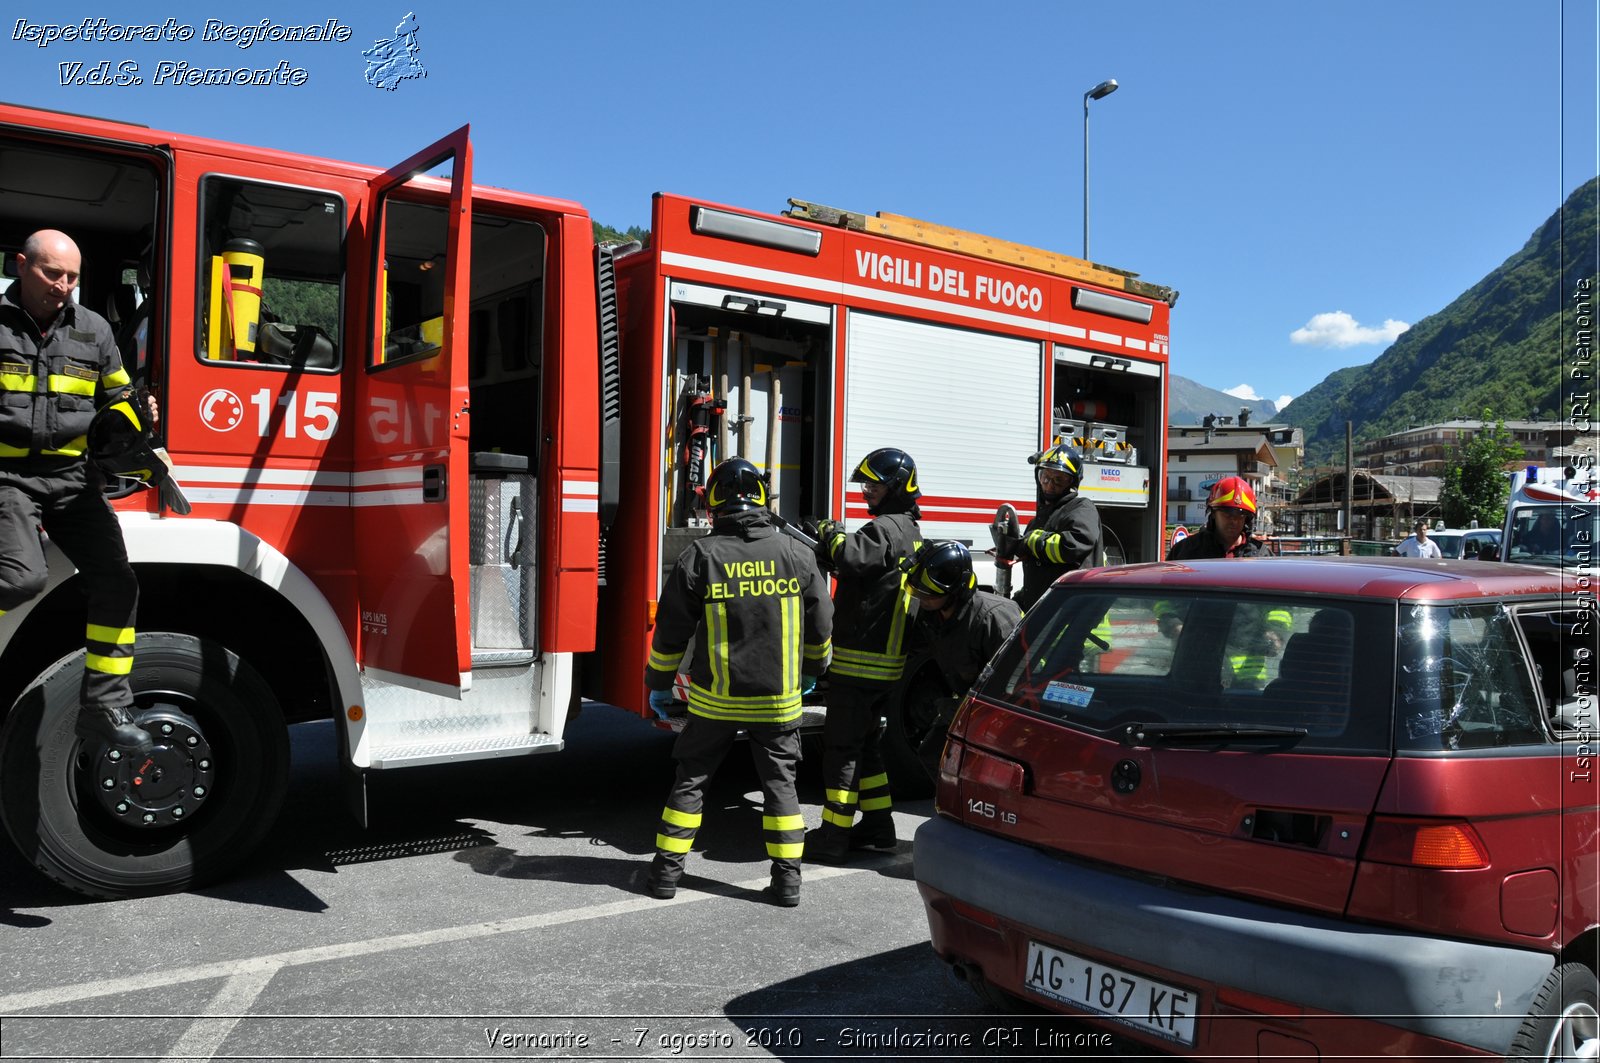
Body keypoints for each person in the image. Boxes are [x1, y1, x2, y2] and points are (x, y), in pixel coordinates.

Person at [642, 458, 832, 906]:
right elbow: (821, 623)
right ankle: (787, 883)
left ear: (715, 504)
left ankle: (665, 876)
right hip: (779, 704)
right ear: (763, 500)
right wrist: (813, 671)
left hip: (715, 703)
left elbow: (671, 632)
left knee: (691, 781)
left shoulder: (701, 556)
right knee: (780, 788)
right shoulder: (796, 553)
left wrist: (659, 682)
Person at [0, 230, 151, 754]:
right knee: (22, 580)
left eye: (71, 277)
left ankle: (105, 706)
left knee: (118, 582)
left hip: (73, 481)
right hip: (7, 480)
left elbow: (119, 395)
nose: (63, 286)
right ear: (20, 265)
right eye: (51, 274)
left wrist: (137, 422)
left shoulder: (94, 330)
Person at [807, 447, 923, 863]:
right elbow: (864, 573)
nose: (866, 491)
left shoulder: (886, 528)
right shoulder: (905, 528)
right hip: (881, 665)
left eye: (874, 485)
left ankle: (832, 838)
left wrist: (832, 532)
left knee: (841, 751)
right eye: (865, 484)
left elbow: (852, 554)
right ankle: (878, 828)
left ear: (897, 487)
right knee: (868, 748)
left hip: (860, 663)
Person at [903, 540, 1022, 772]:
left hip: (1002, 709)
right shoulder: (933, 615)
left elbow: (1018, 681)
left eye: (929, 594)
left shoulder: (994, 618)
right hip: (970, 702)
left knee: (988, 770)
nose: (923, 599)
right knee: (933, 753)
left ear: (956, 591)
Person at [1009, 442, 1103, 611]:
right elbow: (1043, 571)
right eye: (1045, 477)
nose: (1050, 485)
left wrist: (1029, 541)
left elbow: (1073, 545)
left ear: (1072, 483)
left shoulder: (1081, 508)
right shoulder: (1038, 521)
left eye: (1059, 480)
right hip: (1048, 610)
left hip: (1077, 614)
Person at [1167, 476, 1269, 560]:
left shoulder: (1262, 555)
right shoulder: (1186, 550)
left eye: (1239, 515)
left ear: (1247, 519)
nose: (1233, 520)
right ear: (1214, 514)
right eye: (1227, 514)